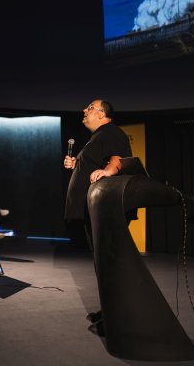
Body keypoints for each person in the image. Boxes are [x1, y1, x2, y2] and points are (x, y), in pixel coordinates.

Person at [63, 99, 132, 336]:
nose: (84, 110)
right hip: (95, 210)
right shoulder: (98, 136)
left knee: (109, 265)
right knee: (103, 265)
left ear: (102, 114)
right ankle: (108, 311)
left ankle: (116, 321)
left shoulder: (111, 132)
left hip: (105, 210)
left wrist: (107, 171)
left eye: (90, 108)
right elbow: (95, 164)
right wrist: (77, 164)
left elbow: (118, 159)